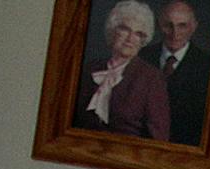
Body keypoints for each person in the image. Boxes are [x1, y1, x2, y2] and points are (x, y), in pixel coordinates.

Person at [72, 0, 169, 141]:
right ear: (113, 30)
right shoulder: (90, 69)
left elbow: (159, 138)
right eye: (125, 29)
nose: (130, 39)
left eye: (138, 34)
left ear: (143, 40)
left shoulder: (152, 78)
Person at [139, 0, 209, 146]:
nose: (175, 33)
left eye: (182, 25)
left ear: (194, 27)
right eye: (168, 25)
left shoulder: (209, 66)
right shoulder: (140, 57)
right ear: (159, 25)